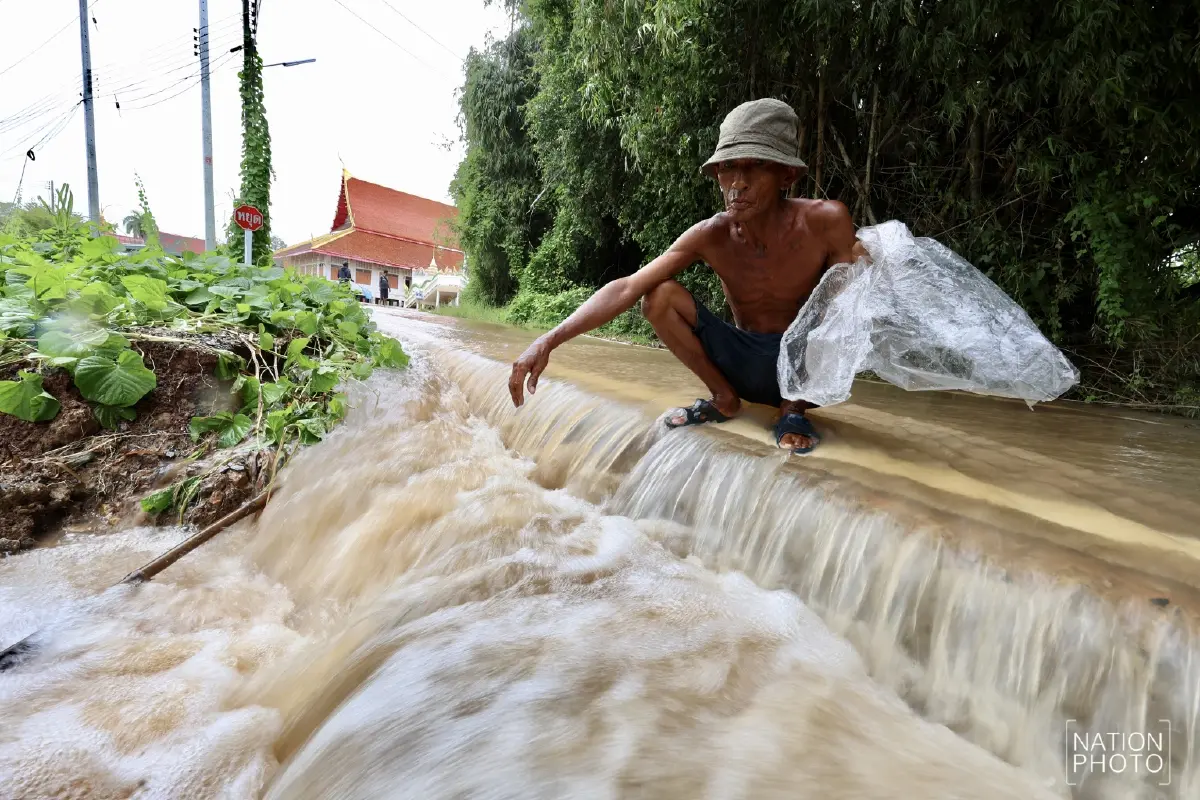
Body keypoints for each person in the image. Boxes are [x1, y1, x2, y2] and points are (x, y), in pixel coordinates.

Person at [507, 98, 866, 454]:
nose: (738, 183)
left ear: (786, 174)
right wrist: (547, 341)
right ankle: (724, 398)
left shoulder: (826, 220)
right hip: (741, 363)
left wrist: (866, 266)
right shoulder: (712, 234)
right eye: (728, 167)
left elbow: (842, 317)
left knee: (856, 287)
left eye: (755, 165)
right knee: (658, 295)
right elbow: (629, 286)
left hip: (803, 367)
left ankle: (792, 409)